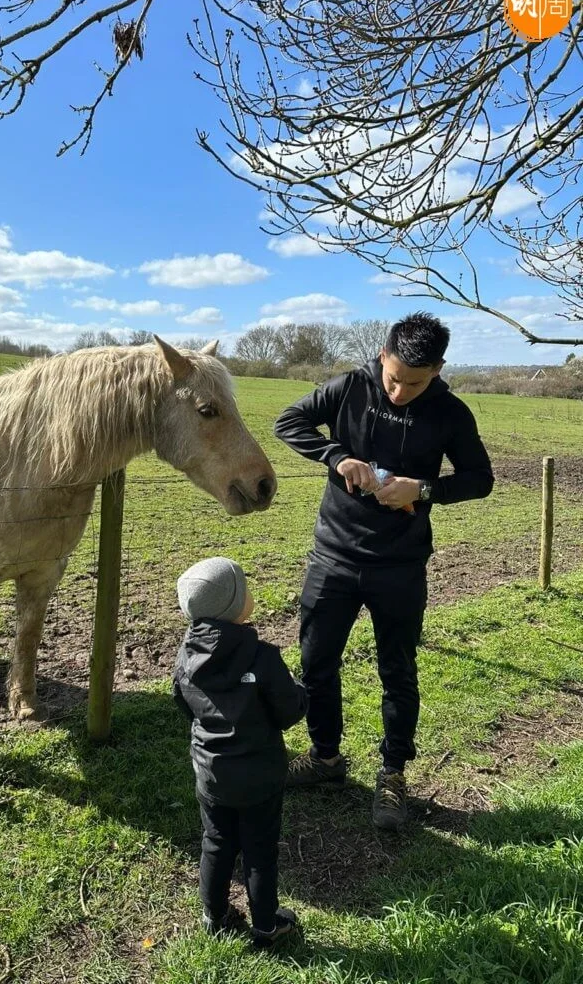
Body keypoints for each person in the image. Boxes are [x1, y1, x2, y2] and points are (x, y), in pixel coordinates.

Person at [274, 312, 494, 830]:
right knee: (316, 663)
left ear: (438, 370)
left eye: (413, 384)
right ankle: (325, 758)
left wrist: (423, 489)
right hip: (333, 556)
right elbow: (288, 422)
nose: (398, 392)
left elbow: (480, 479)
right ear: (382, 356)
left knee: (397, 671)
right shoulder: (350, 387)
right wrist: (336, 457)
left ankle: (393, 774)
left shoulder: (450, 413)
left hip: (400, 565)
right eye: (393, 378)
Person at [172, 556, 308, 947]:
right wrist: (300, 691)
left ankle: (214, 917)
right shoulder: (263, 657)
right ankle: (267, 926)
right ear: (233, 606)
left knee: (216, 842)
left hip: (211, 774)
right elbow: (289, 712)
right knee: (259, 851)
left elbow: (183, 702)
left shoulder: (186, 656)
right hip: (260, 777)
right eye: (244, 588)